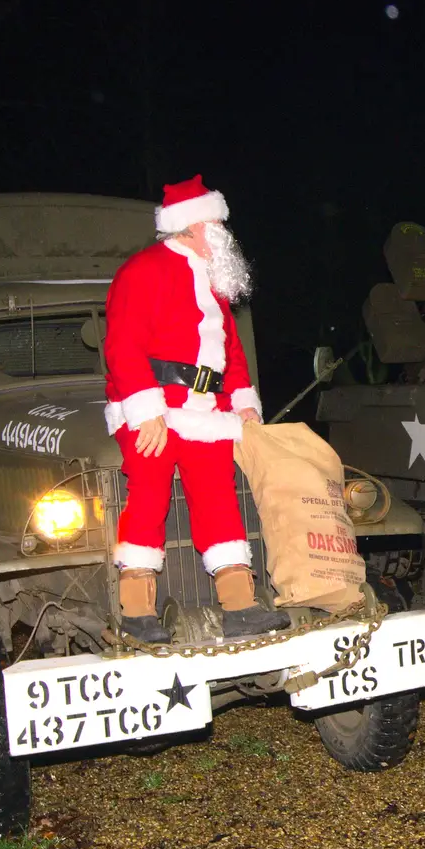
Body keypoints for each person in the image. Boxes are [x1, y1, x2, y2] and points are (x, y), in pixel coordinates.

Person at [103, 174, 289, 643]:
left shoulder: (214, 283)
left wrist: (243, 403)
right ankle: (137, 613)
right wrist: (145, 410)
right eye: (216, 224)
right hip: (157, 411)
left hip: (207, 413)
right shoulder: (142, 271)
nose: (224, 234)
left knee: (219, 501)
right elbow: (123, 345)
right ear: (191, 226)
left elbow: (232, 353)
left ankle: (240, 607)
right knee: (147, 499)